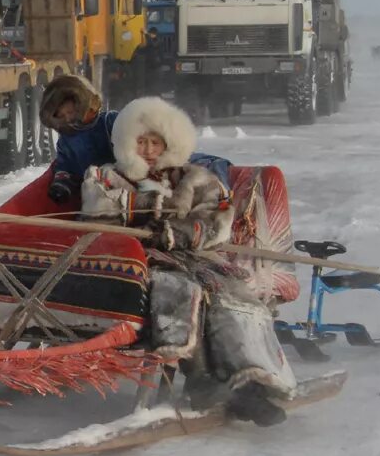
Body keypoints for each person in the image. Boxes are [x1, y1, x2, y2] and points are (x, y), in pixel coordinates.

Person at [78, 96, 295, 426]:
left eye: (156, 142)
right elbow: (98, 215)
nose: (149, 149)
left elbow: (217, 217)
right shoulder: (106, 178)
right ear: (126, 142)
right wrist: (148, 215)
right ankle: (204, 382)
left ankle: (248, 380)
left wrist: (185, 232)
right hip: (140, 261)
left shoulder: (194, 178)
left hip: (193, 256)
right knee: (182, 289)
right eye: (141, 141)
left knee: (230, 292)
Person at [40, 74, 231, 205]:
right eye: (61, 116)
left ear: (85, 103)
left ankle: (220, 181)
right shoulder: (67, 139)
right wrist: (62, 184)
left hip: (132, 172)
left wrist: (145, 158)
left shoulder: (109, 122)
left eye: (71, 112)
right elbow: (65, 165)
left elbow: (137, 137)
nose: (68, 119)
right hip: (101, 184)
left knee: (193, 165)